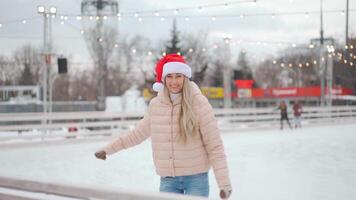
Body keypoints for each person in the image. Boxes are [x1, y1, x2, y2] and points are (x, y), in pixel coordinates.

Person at [95, 54, 232, 199]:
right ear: (164, 79)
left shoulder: (198, 103)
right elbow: (136, 134)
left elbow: (214, 145)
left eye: (178, 76)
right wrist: (107, 150)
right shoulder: (156, 105)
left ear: (185, 77)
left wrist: (224, 184)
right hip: (168, 180)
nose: (174, 81)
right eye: (169, 76)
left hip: (196, 179)